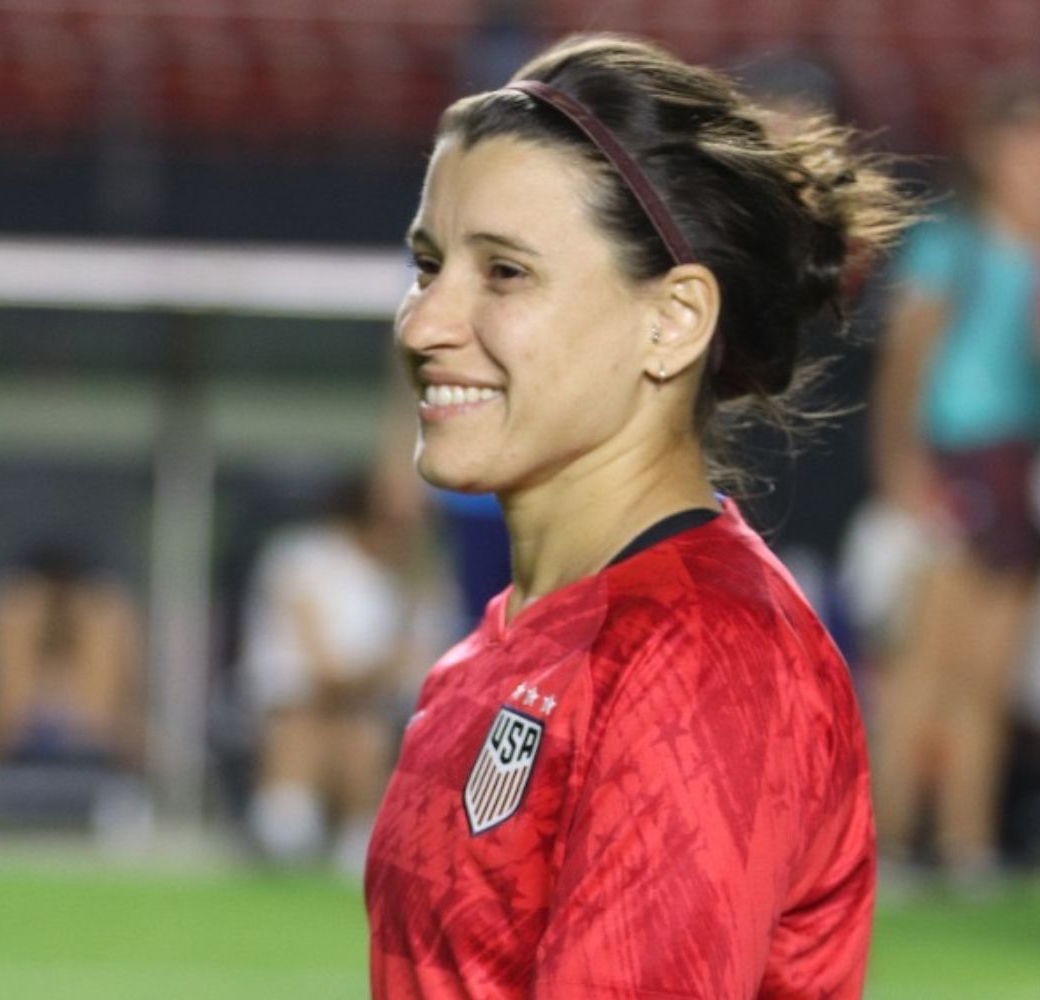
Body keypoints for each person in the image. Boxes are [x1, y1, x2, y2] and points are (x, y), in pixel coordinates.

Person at [364, 34, 904, 998]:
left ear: (674, 322)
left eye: (505, 274)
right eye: (427, 264)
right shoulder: (493, 652)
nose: (424, 323)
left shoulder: (705, 657)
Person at [867, 73, 1040, 889]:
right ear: (991, 153)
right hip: (958, 458)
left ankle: (966, 841)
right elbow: (906, 364)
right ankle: (888, 844)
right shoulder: (949, 244)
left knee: (992, 671)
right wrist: (902, 464)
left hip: (1027, 464)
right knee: (927, 664)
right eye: (1028, 142)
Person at [238, 471, 447, 873]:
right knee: (304, 722)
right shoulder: (303, 558)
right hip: (293, 706)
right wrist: (368, 672)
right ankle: (287, 821)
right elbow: (322, 666)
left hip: (371, 712)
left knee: (364, 735)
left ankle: (357, 832)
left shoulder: (419, 580)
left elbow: (418, 670)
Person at [0, 543, 143, 768]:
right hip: (18, 735)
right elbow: (0, 705)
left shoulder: (102, 609)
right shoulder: (15, 609)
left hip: (96, 736)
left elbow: (112, 708)